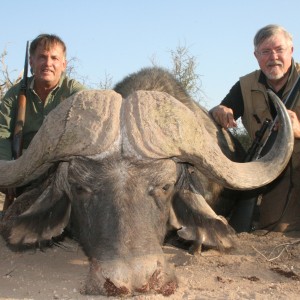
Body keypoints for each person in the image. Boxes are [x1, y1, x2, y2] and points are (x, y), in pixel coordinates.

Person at [210, 24, 300, 233]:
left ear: (292, 51)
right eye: (265, 52)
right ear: (256, 55)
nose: (273, 57)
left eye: (279, 49)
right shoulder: (244, 85)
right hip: (274, 170)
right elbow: (221, 108)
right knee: (275, 227)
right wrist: (220, 110)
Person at [0, 33, 86, 209]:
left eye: (54, 58)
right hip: (25, 167)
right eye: (42, 57)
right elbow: (2, 134)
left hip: (62, 166)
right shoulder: (14, 95)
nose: (48, 64)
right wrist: (10, 172)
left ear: (63, 64)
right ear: (31, 62)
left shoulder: (77, 93)